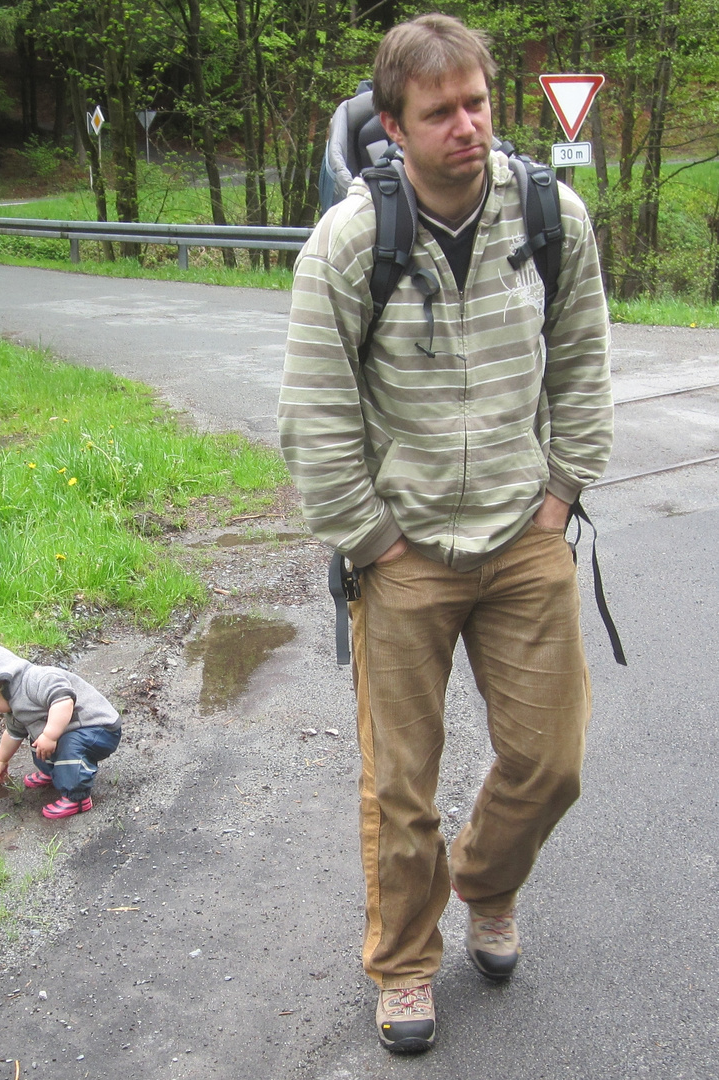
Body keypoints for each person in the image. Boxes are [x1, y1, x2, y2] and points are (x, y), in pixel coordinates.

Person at [278, 12, 613, 1055]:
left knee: (551, 762)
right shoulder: (347, 244)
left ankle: (487, 883)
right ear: (395, 124)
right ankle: (405, 965)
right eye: (440, 112)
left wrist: (560, 495)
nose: (466, 125)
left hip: (524, 538)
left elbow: (584, 364)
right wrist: (371, 541)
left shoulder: (551, 219)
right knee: (399, 788)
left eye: (476, 103)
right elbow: (314, 416)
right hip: (403, 552)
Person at [0, 640, 122, 820]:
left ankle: (77, 797)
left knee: (66, 744)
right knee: (38, 737)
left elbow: (64, 701)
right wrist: (1, 760)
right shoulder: (14, 708)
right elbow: (12, 734)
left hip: (98, 727)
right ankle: (53, 771)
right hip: (71, 728)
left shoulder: (36, 679)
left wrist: (50, 735)